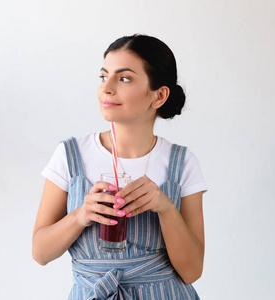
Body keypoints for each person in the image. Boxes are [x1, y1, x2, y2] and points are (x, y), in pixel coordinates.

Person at [32, 34, 208, 299]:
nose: (107, 88)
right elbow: (40, 253)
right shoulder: (70, 155)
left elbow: (192, 271)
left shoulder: (182, 163)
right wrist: (81, 216)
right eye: (104, 76)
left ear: (159, 96)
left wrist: (165, 208)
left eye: (124, 78)